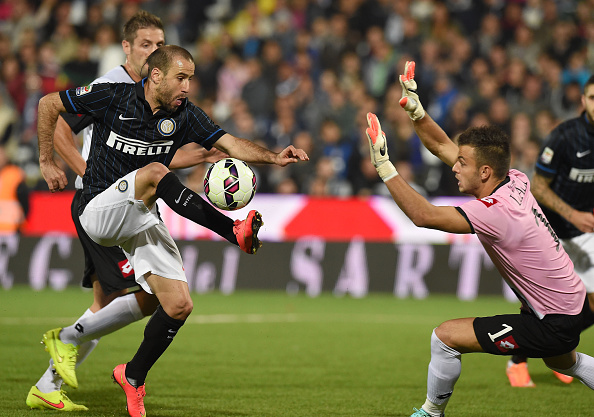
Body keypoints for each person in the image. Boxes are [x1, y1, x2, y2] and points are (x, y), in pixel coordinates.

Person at [37, 44, 309, 417]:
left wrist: (274, 156)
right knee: (156, 172)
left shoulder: (185, 116)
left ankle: (131, 376)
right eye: (181, 78)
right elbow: (48, 104)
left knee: (178, 305)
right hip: (97, 209)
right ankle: (232, 232)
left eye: (191, 79)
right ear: (157, 75)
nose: (187, 87)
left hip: (140, 214)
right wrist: (45, 159)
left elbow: (230, 143)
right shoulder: (112, 96)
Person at [365, 61, 594, 417]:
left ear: (485, 172)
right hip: (569, 303)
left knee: (444, 337)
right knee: (567, 364)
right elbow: (443, 145)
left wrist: (384, 166)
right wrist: (416, 111)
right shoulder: (514, 178)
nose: (454, 168)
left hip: (551, 319)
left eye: (463, 165)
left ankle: (430, 413)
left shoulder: (496, 213)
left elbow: (423, 215)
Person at [26, 11, 224, 412]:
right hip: (103, 203)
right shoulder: (112, 86)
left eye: (160, 43)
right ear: (128, 48)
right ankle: (55, 364)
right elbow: (61, 121)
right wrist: (81, 172)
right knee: (119, 293)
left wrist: (197, 153)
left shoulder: (158, 96)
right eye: (148, 44)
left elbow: (153, 156)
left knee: (140, 297)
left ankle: (48, 382)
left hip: (132, 204)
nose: (156, 50)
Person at [505, 75, 594, 387]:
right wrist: (573, 213)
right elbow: (539, 187)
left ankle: (558, 350)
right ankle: (517, 361)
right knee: (540, 306)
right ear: (583, 101)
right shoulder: (564, 137)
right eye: (593, 97)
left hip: (585, 233)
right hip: (550, 232)